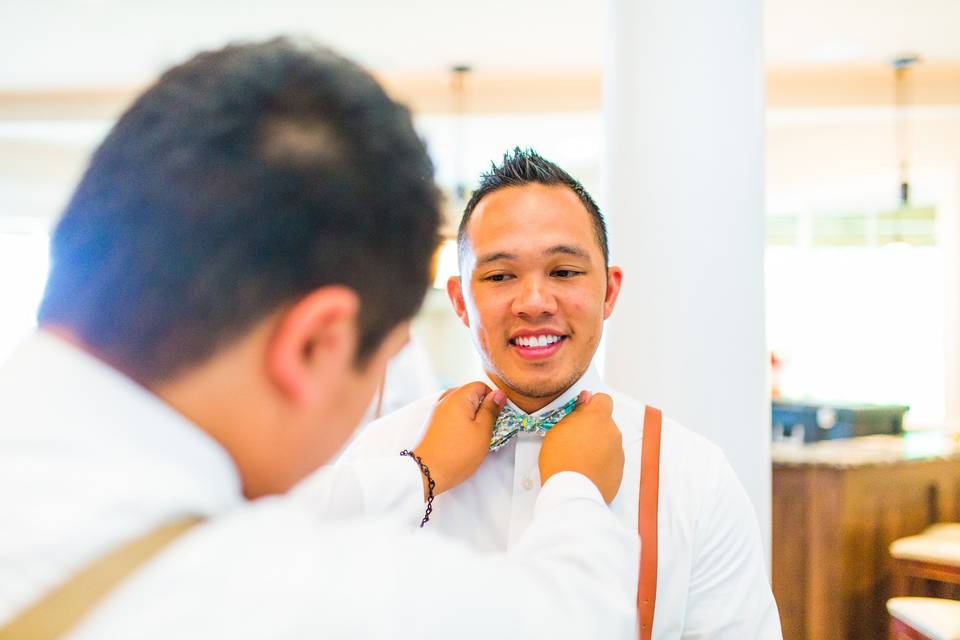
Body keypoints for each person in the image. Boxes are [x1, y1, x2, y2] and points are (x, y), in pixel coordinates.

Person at [0, 41, 636, 639]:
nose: (532, 300)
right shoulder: (265, 592)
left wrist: (421, 474)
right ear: (315, 346)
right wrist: (577, 491)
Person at [342, 148, 784, 639]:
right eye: (500, 276)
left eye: (565, 272)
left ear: (609, 292)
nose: (534, 302)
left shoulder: (696, 478)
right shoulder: (382, 457)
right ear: (460, 301)